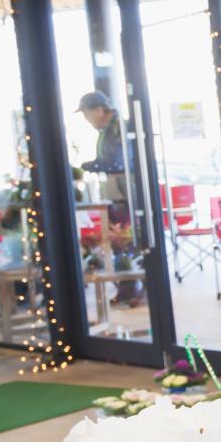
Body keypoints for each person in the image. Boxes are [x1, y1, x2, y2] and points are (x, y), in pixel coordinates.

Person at [74, 91, 141, 307]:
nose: (87, 120)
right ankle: (127, 286)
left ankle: (130, 287)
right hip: (118, 191)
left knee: (123, 238)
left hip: (123, 191)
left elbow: (117, 162)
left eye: (87, 114)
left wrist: (91, 165)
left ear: (98, 110)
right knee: (120, 239)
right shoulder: (108, 129)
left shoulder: (116, 127)